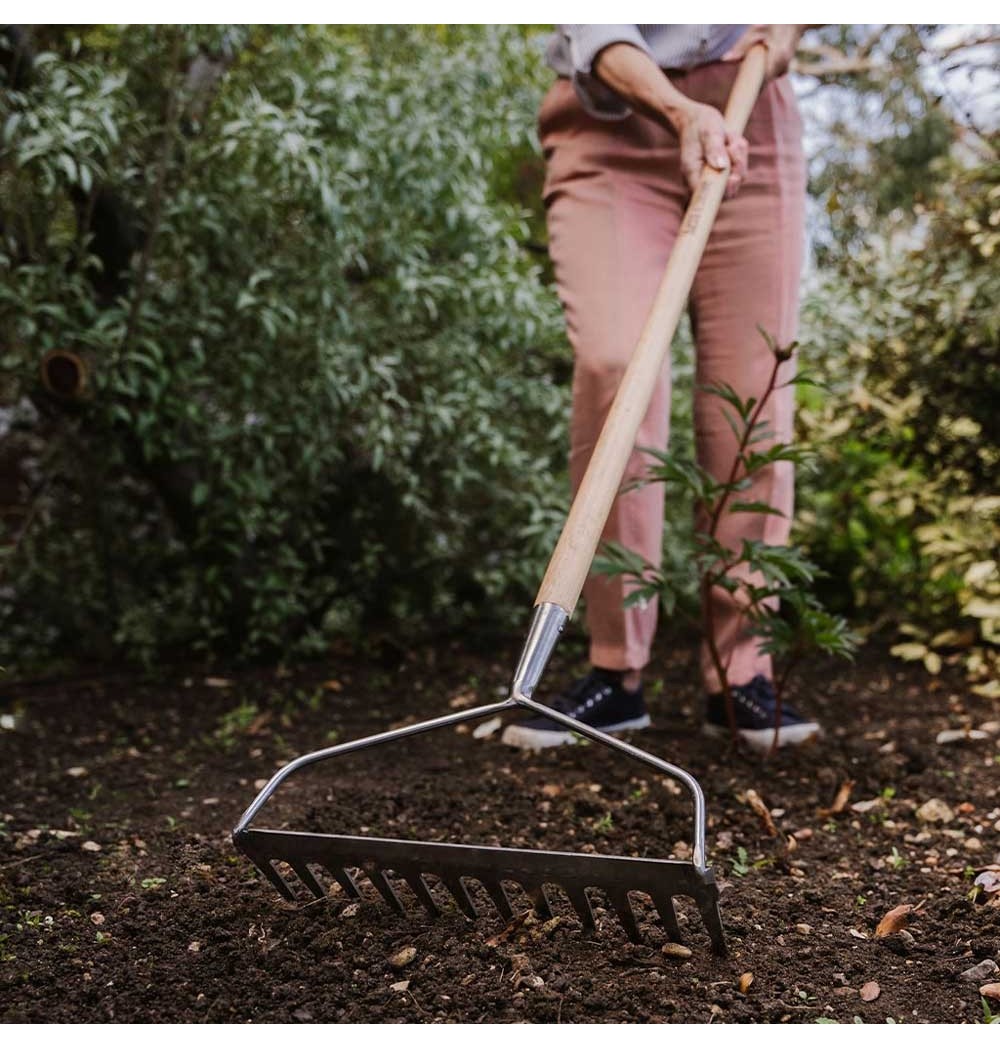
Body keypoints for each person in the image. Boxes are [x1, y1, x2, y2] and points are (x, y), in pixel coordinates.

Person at [500, 24, 821, 754]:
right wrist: (679, 112)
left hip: (752, 115)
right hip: (613, 116)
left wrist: (789, 29)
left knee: (754, 396)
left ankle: (741, 672)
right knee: (617, 367)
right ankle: (615, 672)